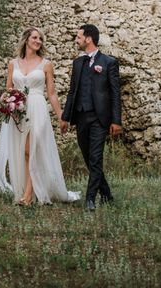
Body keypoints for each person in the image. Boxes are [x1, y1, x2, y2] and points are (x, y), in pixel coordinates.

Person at [0, 27, 80, 205]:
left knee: (31, 150)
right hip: (19, 111)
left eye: (40, 39)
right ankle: (28, 191)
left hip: (38, 108)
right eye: (35, 37)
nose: (38, 41)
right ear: (26, 40)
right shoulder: (13, 64)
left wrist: (61, 116)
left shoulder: (45, 64)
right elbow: (9, 88)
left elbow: (52, 93)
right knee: (23, 152)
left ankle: (27, 196)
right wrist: (7, 99)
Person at [60, 24, 122, 211]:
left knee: (95, 158)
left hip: (99, 118)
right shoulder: (77, 63)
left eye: (78, 37)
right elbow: (72, 92)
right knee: (89, 158)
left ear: (88, 39)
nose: (76, 40)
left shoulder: (109, 62)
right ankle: (107, 193)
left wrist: (116, 120)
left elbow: (114, 94)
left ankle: (90, 199)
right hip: (80, 117)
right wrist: (65, 117)